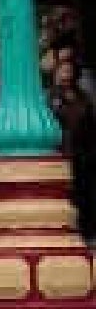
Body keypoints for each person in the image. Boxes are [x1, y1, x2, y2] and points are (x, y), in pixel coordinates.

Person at [49, 58, 96, 237]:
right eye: (62, 70)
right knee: (68, 194)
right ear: (56, 73)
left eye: (69, 70)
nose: (66, 74)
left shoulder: (82, 95)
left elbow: (90, 121)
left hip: (83, 153)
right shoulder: (52, 97)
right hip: (62, 154)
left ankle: (87, 231)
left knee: (85, 194)